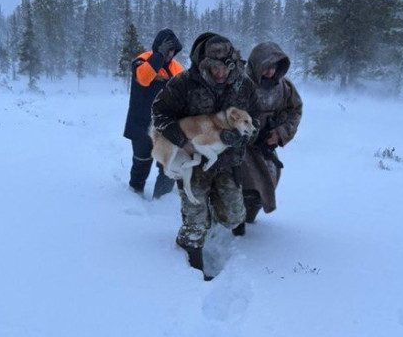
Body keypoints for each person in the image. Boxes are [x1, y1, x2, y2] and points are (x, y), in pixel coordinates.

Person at [151, 33, 258, 280]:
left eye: (225, 67)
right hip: (193, 163)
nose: (220, 73)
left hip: (227, 162)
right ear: (204, 63)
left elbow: (255, 118)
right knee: (195, 222)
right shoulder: (184, 83)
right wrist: (182, 141)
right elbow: (160, 114)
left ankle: (214, 216)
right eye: (214, 67)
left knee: (233, 216)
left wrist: (242, 137)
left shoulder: (244, 85)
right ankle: (194, 266)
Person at [235, 41, 303, 234]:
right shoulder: (240, 84)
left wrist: (280, 133)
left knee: (265, 185)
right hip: (240, 146)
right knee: (241, 185)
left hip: (265, 146)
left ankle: (248, 217)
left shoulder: (284, 88)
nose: (270, 72)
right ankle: (233, 223)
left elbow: (295, 111)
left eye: (274, 68)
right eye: (266, 67)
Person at [123, 28, 184, 199]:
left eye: (172, 51)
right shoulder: (141, 62)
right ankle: (135, 193)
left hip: (167, 126)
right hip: (141, 123)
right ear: (158, 47)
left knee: (168, 165)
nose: (170, 55)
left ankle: (161, 200)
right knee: (141, 161)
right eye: (167, 51)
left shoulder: (177, 69)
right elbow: (143, 79)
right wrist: (158, 56)